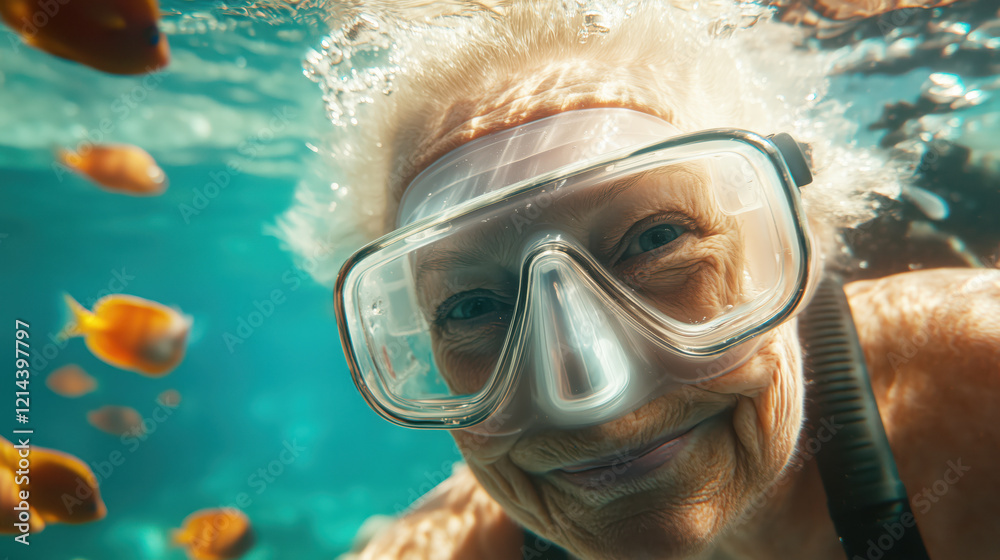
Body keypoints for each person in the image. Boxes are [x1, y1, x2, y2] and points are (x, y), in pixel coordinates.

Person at [281, 2, 1000, 558]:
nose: (593, 396)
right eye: (472, 307)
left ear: (793, 239)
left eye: (657, 241)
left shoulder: (982, 377)